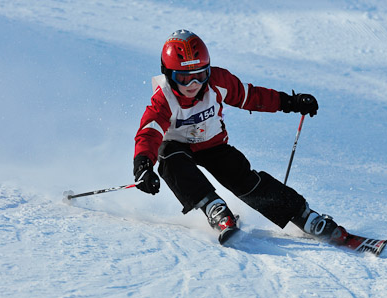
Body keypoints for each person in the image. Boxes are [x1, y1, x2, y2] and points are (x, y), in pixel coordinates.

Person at [133, 29, 348, 244]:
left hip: (213, 145)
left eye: (200, 75)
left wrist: (289, 102)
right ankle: (214, 208)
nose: (194, 85)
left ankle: (303, 216)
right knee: (169, 161)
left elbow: (252, 97)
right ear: (168, 74)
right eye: (184, 78)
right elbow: (149, 132)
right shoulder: (163, 99)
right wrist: (143, 165)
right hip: (177, 146)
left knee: (244, 179)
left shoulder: (219, 81)